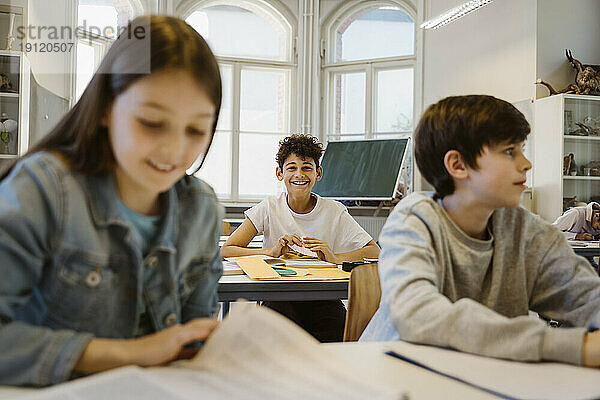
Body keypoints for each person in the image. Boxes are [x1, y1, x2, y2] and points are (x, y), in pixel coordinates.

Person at [0, 16, 224, 386]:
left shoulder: (201, 209)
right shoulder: (42, 190)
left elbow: (191, 343)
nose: (174, 150)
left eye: (197, 130)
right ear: (106, 108)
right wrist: (135, 353)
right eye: (152, 122)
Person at [360, 95, 600, 368]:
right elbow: (418, 315)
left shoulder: (527, 231)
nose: (526, 163)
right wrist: (575, 347)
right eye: (510, 151)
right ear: (458, 165)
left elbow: (587, 297)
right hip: (395, 376)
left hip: (483, 377)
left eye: (522, 149)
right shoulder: (415, 220)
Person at [221, 134, 380, 342]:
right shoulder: (269, 207)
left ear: (318, 173)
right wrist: (270, 252)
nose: (299, 174)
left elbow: (374, 251)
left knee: (334, 339)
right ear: (280, 173)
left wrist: (334, 257)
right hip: (278, 296)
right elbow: (228, 249)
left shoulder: (334, 211)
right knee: (281, 341)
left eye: (307, 167)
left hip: (323, 297)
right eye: (291, 168)